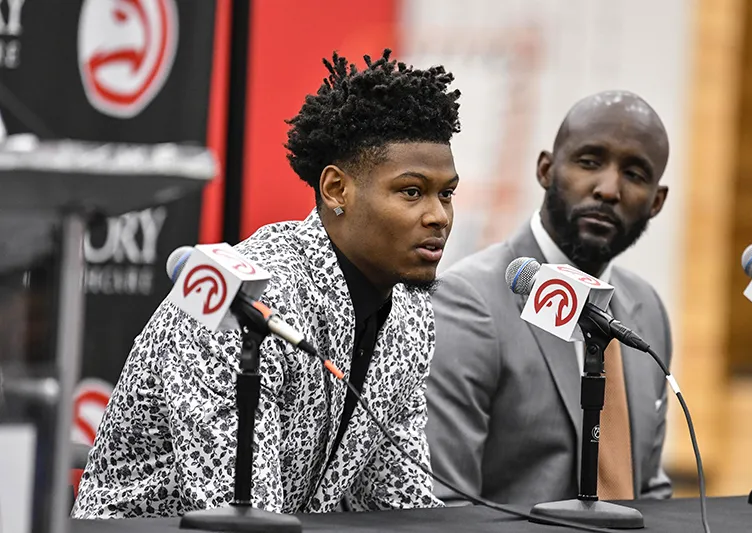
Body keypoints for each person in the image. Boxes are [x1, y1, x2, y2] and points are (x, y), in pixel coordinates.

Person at [73, 49, 461, 518]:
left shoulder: (412, 314)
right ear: (336, 189)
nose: (439, 216)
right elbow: (240, 512)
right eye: (412, 192)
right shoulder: (242, 299)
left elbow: (399, 506)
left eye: (446, 194)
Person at [426, 91, 673, 506]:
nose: (608, 189)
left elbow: (650, 489)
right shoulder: (469, 302)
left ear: (657, 201)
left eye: (634, 174)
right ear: (545, 169)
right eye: (589, 162)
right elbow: (447, 506)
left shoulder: (647, 309)